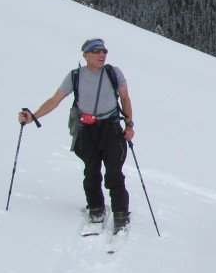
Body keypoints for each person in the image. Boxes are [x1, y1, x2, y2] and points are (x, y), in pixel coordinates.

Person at [18, 38, 136, 232]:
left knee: (114, 172)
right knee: (91, 171)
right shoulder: (75, 76)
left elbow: (125, 98)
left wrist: (129, 125)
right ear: (86, 55)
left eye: (104, 51)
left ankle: (121, 213)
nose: (102, 55)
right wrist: (33, 117)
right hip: (87, 129)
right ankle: (96, 207)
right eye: (97, 51)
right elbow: (55, 100)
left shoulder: (113, 73)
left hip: (111, 127)